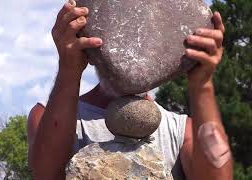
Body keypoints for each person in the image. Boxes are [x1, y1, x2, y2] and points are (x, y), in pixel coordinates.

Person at [27, 1, 233, 179]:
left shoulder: (180, 131)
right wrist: (69, 69)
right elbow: (48, 175)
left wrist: (202, 84)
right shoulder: (47, 116)